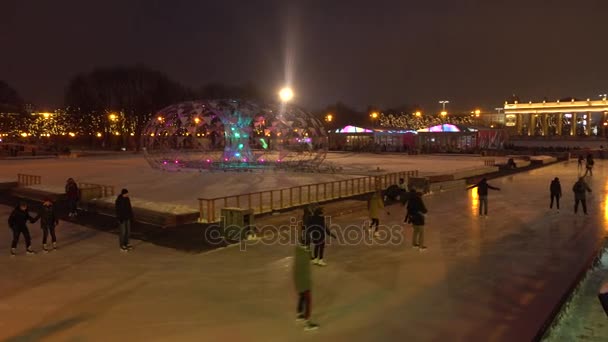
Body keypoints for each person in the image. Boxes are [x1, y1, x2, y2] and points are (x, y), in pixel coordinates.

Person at [294, 237, 318, 331]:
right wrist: (307, 284)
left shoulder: (298, 250)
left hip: (298, 280)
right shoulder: (304, 255)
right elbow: (305, 270)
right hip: (303, 281)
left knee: (301, 296)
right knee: (308, 300)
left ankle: (299, 314)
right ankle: (307, 323)